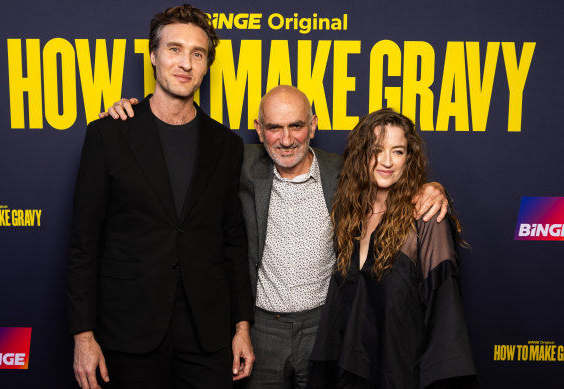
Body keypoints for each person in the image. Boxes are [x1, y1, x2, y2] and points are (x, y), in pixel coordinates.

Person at [102, 87, 450, 389]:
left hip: (324, 326)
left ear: (313, 124)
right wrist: (129, 121)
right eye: (274, 128)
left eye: (297, 125)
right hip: (261, 329)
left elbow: (387, 177)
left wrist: (431, 188)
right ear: (259, 129)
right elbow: (177, 150)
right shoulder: (236, 161)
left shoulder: (343, 171)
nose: (286, 139)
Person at [67, 5, 254, 389]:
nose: (185, 63)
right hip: (128, 331)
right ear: (153, 55)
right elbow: (83, 244)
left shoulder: (226, 144)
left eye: (197, 54)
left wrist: (241, 327)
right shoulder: (109, 134)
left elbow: (233, 242)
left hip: (208, 334)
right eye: (174, 49)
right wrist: (83, 337)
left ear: (206, 66)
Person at [307, 108, 478, 388]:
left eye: (398, 151)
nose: (387, 161)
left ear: (408, 158)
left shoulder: (426, 218)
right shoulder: (349, 212)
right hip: (349, 374)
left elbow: (445, 314)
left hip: (400, 376)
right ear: (363, 153)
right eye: (377, 150)